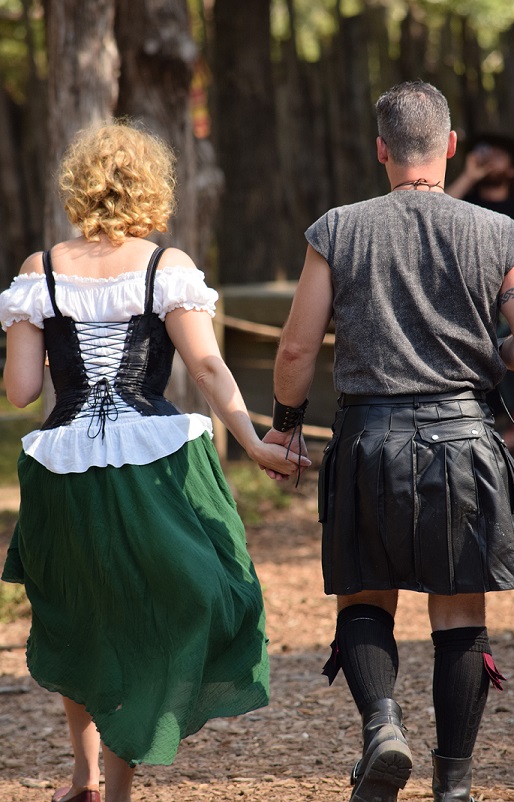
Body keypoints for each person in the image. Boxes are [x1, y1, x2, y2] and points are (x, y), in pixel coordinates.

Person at [0, 121, 308, 802]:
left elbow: (21, 393)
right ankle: (113, 789)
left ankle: (81, 776)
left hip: (64, 461)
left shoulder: (37, 271)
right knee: (164, 603)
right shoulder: (164, 268)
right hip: (155, 458)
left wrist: (39, 336)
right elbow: (204, 363)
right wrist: (255, 441)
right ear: (151, 189)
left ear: (77, 187)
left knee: (75, 610)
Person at [263, 81, 514, 802]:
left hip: (368, 441)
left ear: (381, 149)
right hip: (465, 440)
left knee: (364, 599)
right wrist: (494, 354)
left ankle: (383, 727)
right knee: (457, 615)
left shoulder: (338, 228)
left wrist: (283, 427)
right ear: (448, 146)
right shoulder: (498, 232)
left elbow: (295, 350)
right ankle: (454, 785)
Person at [446, 133, 514, 454]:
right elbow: (432, 214)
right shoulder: (464, 207)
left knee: (510, 334)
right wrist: (469, 175)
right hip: (469, 300)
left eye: (499, 154)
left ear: (513, 169)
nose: (489, 157)